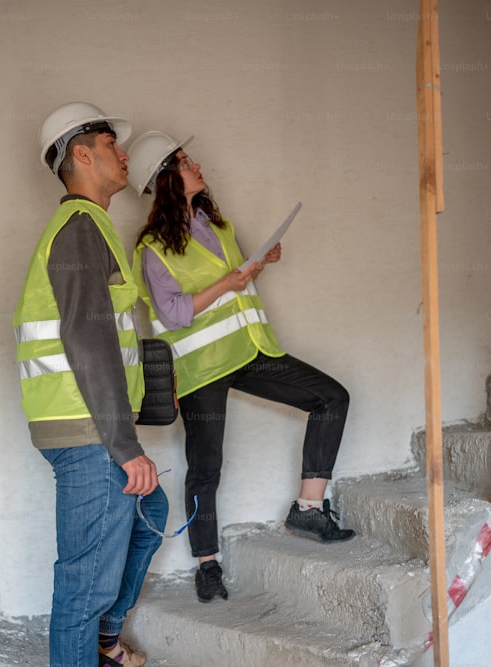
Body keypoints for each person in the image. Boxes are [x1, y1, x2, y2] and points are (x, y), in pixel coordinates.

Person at [125, 130, 354, 604]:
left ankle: (309, 508)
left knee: (331, 397)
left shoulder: (217, 225)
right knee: (205, 468)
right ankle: (206, 564)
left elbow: (236, 287)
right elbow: (174, 313)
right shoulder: (151, 247)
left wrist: (258, 266)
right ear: (166, 178)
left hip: (251, 352)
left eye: (191, 158)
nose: (197, 165)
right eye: (185, 162)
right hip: (202, 369)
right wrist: (230, 281)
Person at [14, 102, 169, 667]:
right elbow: (89, 341)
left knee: (151, 510)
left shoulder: (91, 226)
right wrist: (124, 447)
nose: (124, 154)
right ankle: (96, 642)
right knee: (82, 587)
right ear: (82, 154)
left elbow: (114, 337)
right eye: (112, 144)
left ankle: (104, 643)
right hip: (85, 434)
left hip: (87, 426)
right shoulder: (79, 229)